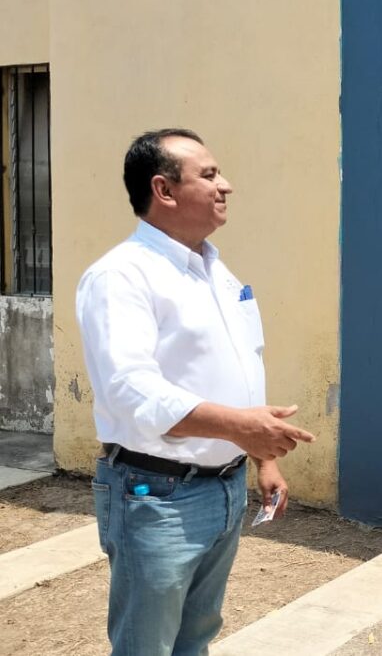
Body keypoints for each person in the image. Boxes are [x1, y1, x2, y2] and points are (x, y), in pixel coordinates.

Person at [76, 129, 316, 656]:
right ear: (163, 190)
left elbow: (237, 367)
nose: (225, 185)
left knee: (196, 636)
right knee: (147, 645)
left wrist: (260, 457)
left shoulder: (214, 270)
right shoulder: (122, 277)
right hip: (155, 494)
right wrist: (238, 426)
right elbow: (130, 390)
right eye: (208, 175)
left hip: (222, 490)